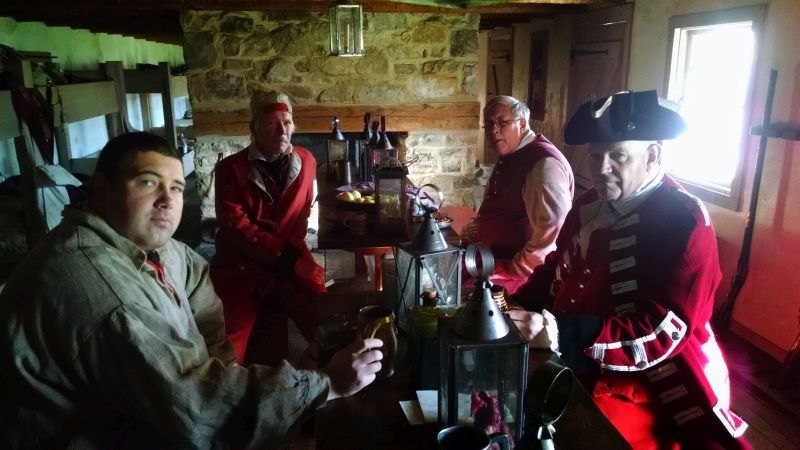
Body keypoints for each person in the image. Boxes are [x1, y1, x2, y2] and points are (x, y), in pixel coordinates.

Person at [0, 132, 383, 449]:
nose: (167, 200)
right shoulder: (97, 287)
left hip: (136, 413)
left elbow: (199, 288)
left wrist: (221, 369)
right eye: (148, 182)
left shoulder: (156, 247)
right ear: (101, 189)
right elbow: (193, 402)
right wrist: (325, 384)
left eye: (177, 187)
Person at [509, 91, 749, 449]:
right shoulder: (590, 203)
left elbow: (660, 331)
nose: (601, 168)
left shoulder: (685, 220)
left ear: (653, 155)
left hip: (644, 383)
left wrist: (559, 333)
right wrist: (507, 302)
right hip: (569, 360)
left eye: (617, 156)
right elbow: (557, 268)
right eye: (594, 156)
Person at [211, 90, 325, 366]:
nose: (281, 130)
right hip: (242, 267)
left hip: (290, 263)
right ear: (254, 128)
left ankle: (327, 385)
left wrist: (297, 260)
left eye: (286, 122)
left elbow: (303, 212)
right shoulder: (230, 169)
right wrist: (286, 259)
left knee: (325, 321)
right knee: (228, 348)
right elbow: (236, 227)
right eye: (271, 123)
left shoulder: (307, 161)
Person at [461, 95, 574, 294]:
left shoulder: (543, 165)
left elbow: (553, 234)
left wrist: (515, 269)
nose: (494, 130)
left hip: (522, 275)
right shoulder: (514, 153)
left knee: (461, 297)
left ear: (522, 124)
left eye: (502, 122)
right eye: (488, 124)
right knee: (445, 272)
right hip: (493, 257)